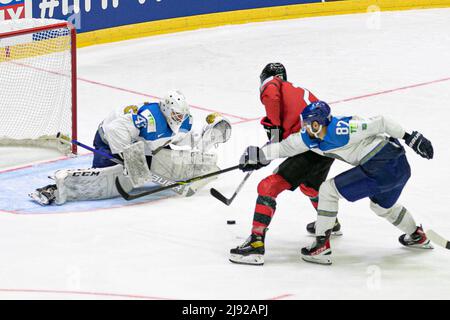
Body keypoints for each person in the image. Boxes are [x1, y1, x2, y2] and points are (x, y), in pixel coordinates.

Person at [238, 101, 434, 265]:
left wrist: (410, 137)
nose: (305, 128)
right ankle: (417, 235)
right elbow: (287, 147)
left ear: (318, 123)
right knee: (382, 207)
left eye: (309, 124)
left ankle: (321, 245)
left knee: (327, 191)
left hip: (381, 164)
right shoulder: (312, 138)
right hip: (399, 168)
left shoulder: (343, 128)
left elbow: (381, 122)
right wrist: (260, 155)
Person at [29, 90, 232, 205]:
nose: (178, 119)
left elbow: (185, 139)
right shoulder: (148, 117)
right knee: (106, 180)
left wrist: (206, 136)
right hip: (108, 142)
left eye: (181, 115)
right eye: (176, 115)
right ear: (166, 109)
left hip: (143, 148)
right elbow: (114, 129)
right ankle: (55, 189)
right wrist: (129, 157)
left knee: (158, 165)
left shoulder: (184, 121)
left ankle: (190, 169)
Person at [228, 63, 339, 266]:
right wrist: (269, 149)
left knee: (268, 186)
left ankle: (255, 245)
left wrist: (272, 136)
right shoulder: (295, 91)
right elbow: (287, 141)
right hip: (327, 146)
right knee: (310, 186)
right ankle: (328, 222)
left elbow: (272, 97)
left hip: (309, 147)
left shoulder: (272, 85)